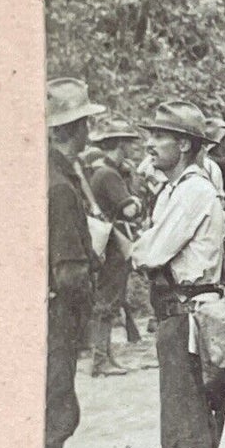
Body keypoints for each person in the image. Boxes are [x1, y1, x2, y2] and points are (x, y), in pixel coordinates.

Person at [129, 102, 225, 448]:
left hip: (187, 312)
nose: (150, 144)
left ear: (184, 144)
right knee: (191, 418)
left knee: (185, 419)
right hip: (178, 310)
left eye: (160, 137)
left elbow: (151, 253)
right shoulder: (175, 190)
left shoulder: (192, 192)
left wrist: (140, 249)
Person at [41, 77, 108, 448]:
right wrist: (94, 272)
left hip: (38, 316)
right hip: (56, 318)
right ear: (77, 128)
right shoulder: (61, 188)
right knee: (55, 415)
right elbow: (68, 275)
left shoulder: (46, 174)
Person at [85, 115, 144, 377]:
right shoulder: (109, 175)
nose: (131, 149)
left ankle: (105, 356)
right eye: (128, 144)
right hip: (112, 245)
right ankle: (100, 360)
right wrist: (137, 196)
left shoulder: (104, 172)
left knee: (109, 300)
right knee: (107, 301)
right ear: (120, 145)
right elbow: (130, 210)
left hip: (107, 243)